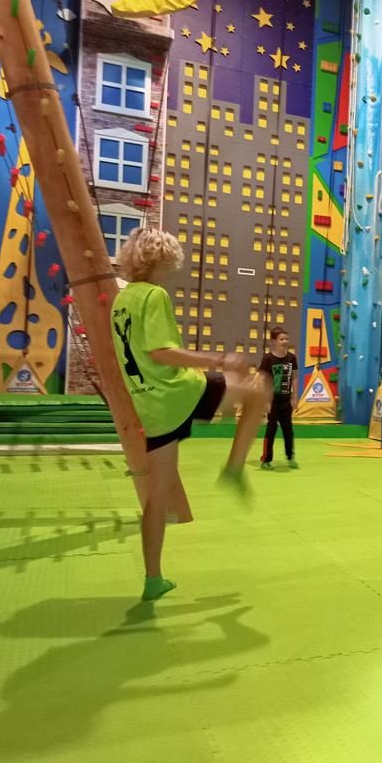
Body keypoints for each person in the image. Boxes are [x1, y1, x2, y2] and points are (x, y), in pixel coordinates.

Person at [112, 227, 269, 601]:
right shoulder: (154, 295)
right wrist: (219, 359)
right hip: (180, 392)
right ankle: (233, 467)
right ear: (162, 260)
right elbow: (161, 352)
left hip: (152, 407)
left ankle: (153, 579)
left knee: (157, 496)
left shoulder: (122, 300)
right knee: (259, 389)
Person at [258, 326, 299, 470]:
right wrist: (266, 401)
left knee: (288, 429)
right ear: (274, 341)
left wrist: (294, 397)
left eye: (287, 339)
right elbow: (263, 380)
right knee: (271, 429)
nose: (285, 341)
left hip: (285, 400)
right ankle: (266, 460)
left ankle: (290, 457)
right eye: (281, 339)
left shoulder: (291, 358)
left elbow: (294, 378)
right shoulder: (268, 358)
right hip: (272, 400)